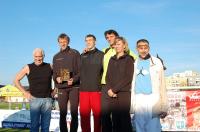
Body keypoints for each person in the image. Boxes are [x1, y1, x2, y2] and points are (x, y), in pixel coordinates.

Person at [101, 29, 137, 132]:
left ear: (124, 45)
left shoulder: (129, 58)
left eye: (119, 44)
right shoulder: (111, 58)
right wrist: (110, 90)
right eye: (116, 44)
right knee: (115, 119)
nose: (117, 46)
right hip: (111, 91)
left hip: (123, 92)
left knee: (124, 119)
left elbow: (128, 77)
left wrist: (115, 90)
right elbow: (108, 75)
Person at [130, 39, 168, 132]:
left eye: (145, 47)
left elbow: (162, 84)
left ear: (149, 48)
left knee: (154, 127)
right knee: (139, 127)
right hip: (138, 99)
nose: (143, 50)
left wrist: (164, 106)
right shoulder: (133, 63)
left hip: (153, 99)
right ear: (137, 49)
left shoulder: (157, 62)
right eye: (140, 47)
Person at [14, 48, 53, 132]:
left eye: (40, 56)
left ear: (44, 56)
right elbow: (16, 80)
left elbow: (57, 78)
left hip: (47, 100)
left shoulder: (50, 66)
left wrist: (56, 90)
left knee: (46, 127)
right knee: (34, 126)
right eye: (36, 56)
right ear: (33, 56)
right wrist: (25, 92)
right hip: (34, 99)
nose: (38, 58)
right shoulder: (28, 67)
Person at [53, 33, 80, 132]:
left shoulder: (75, 53)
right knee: (62, 113)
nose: (62, 44)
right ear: (58, 43)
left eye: (64, 41)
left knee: (74, 113)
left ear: (68, 42)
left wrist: (74, 79)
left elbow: (81, 71)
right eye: (60, 42)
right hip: (61, 88)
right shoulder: (56, 56)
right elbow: (54, 74)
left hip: (74, 87)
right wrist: (57, 79)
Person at [80, 34, 104, 132]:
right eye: (86, 40)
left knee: (98, 116)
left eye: (90, 40)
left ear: (95, 41)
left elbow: (105, 72)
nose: (88, 42)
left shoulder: (102, 55)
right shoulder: (82, 55)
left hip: (97, 90)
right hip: (83, 91)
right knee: (84, 117)